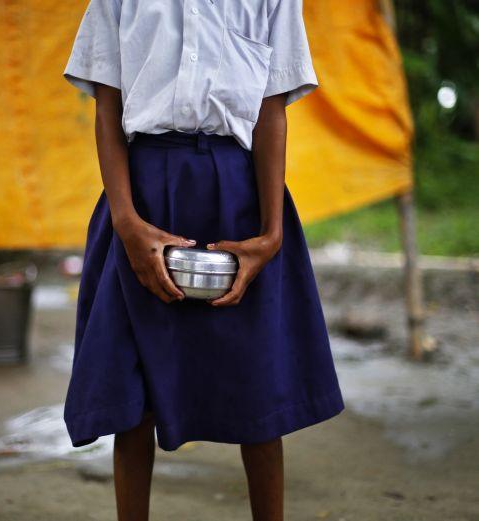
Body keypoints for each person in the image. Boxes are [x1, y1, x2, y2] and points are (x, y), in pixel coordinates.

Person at [62, 1, 345, 519]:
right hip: (140, 194)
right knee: (134, 394)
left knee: (257, 386)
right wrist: (126, 222)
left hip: (237, 198)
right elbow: (107, 105)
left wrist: (272, 233)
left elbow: (270, 111)